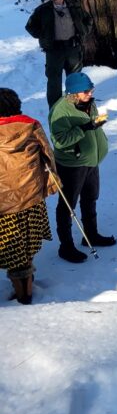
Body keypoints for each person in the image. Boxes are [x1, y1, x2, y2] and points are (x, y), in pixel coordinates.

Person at [49, 72, 114, 262]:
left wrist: (97, 125)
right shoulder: (60, 111)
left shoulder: (88, 102)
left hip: (92, 160)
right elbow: (60, 141)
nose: (90, 93)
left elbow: (91, 126)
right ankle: (66, 246)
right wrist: (85, 128)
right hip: (72, 164)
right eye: (86, 91)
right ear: (74, 92)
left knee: (90, 198)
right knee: (68, 205)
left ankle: (91, 235)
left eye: (91, 89)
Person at [0, 88, 57, 304]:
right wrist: (50, 184)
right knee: (28, 242)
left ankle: (24, 295)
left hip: (4, 205)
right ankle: (28, 287)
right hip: (31, 198)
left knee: (12, 249)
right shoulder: (31, 125)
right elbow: (48, 156)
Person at [25, 0, 92, 107]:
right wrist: (44, 35)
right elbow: (30, 26)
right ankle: (55, 110)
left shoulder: (74, 8)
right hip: (54, 51)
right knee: (54, 82)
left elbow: (88, 20)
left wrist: (84, 31)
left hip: (73, 48)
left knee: (75, 79)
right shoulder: (43, 10)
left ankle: (77, 106)